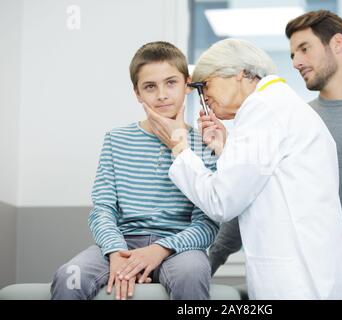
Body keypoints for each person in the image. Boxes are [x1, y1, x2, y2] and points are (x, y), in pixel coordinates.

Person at [209, 10, 342, 300]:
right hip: (303, 271)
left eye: (304, 48)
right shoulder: (292, 117)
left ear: (337, 44)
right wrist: (208, 263)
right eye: (292, 54)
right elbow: (247, 196)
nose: (296, 62)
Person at [143, 38, 342, 299]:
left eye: (205, 85)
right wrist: (225, 148)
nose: (204, 97)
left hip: (299, 283)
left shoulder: (263, 109)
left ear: (241, 75)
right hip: (316, 274)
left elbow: (222, 202)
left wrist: (179, 147)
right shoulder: (279, 105)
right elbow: (268, 176)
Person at [50, 41, 219, 300]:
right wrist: (116, 251)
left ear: (187, 85)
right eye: (150, 87)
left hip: (179, 249)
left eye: (171, 83)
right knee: (69, 276)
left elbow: (206, 223)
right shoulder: (115, 139)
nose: (161, 94)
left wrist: (161, 249)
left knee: (193, 272)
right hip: (123, 241)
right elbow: (103, 209)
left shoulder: (205, 143)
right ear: (137, 93)